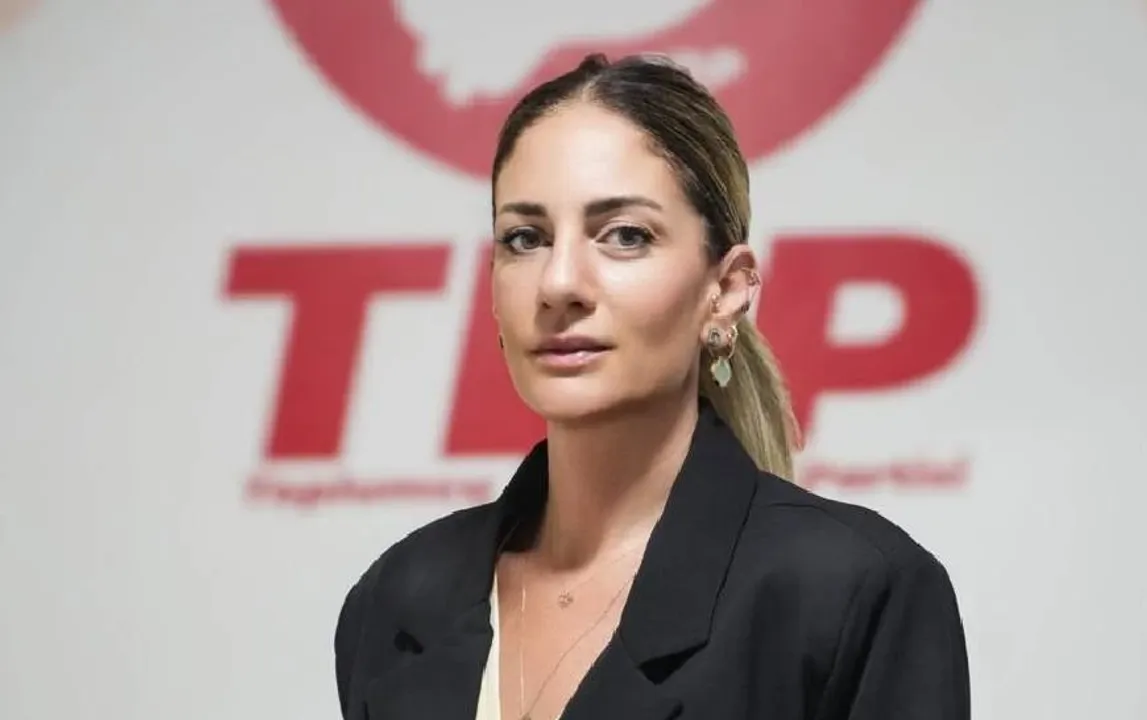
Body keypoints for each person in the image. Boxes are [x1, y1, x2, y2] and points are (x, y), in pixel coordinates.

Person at [333, 53, 970, 720]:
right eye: (525, 238)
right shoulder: (398, 598)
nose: (558, 283)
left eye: (625, 236)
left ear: (726, 290)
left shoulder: (850, 590)